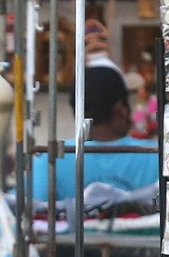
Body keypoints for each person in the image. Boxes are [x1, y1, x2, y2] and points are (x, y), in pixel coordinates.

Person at [29, 64, 159, 205]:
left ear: (76, 110)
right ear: (121, 108)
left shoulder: (52, 158)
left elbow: (27, 211)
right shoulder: (156, 155)